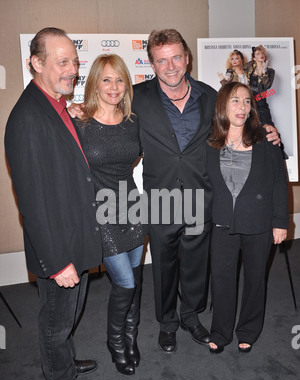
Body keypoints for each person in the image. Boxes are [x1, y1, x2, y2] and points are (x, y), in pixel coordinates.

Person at [68, 29, 281, 355]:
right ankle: (167, 324)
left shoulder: (211, 97)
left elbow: (242, 117)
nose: (170, 66)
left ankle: (190, 315)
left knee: (197, 264)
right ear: (152, 63)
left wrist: (267, 129)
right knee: (164, 265)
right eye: (162, 60)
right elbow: (106, 109)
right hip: (160, 198)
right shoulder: (136, 96)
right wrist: (79, 110)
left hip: (200, 196)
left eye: (176, 57)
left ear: (187, 58)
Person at [5, 28, 102, 380]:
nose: (72, 70)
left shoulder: (56, 106)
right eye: (62, 62)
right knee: (55, 320)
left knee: (69, 312)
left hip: (73, 233)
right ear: (36, 63)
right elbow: (31, 200)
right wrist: (57, 260)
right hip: (58, 245)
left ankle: (63, 358)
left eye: (74, 62)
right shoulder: (28, 117)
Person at [72, 54, 147, 375]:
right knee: (125, 281)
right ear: (94, 84)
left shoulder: (133, 121)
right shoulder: (80, 122)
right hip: (100, 213)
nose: (114, 86)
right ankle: (115, 342)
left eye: (119, 79)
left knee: (136, 279)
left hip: (131, 205)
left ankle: (131, 337)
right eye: (106, 79)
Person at [206, 82, 289, 354]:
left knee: (255, 279)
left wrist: (280, 221)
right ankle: (220, 330)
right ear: (223, 106)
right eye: (235, 100)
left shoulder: (266, 138)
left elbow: (279, 181)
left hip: (259, 223)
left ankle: (249, 330)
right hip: (221, 223)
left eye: (246, 101)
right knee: (221, 279)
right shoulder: (210, 141)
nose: (242, 107)